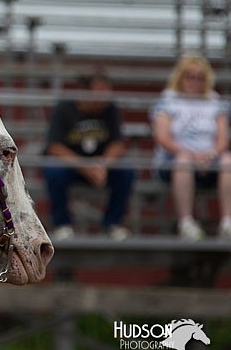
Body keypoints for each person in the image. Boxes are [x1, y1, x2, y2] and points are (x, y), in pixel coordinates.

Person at [43, 71, 135, 240]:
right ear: (83, 90)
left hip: (100, 168)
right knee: (53, 171)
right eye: (100, 90)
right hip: (72, 166)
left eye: (107, 90)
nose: (105, 96)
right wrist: (84, 167)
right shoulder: (64, 108)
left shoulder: (110, 108)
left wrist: (103, 164)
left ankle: (112, 224)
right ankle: (62, 224)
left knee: (127, 171)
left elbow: (118, 143)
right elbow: (54, 146)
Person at [150, 54, 231, 241]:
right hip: (175, 160)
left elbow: (222, 139)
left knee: (228, 159)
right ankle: (186, 222)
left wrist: (211, 154)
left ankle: (227, 222)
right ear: (180, 76)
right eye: (189, 76)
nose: (194, 81)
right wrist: (190, 154)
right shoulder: (168, 101)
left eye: (200, 77)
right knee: (183, 161)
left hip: (210, 159)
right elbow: (162, 137)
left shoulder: (215, 102)